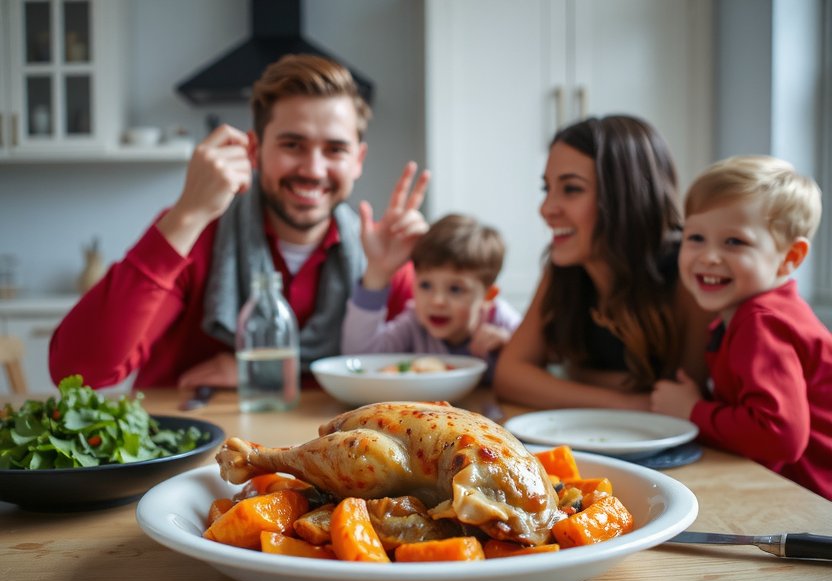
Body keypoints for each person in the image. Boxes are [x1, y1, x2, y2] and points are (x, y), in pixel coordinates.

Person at [49, 54, 429, 390]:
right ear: (255, 150)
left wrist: (262, 372)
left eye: (335, 149)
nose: (313, 169)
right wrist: (188, 212)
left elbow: (418, 372)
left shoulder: (379, 255)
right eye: (292, 145)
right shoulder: (194, 232)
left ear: (357, 160)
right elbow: (78, 372)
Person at [493, 115, 712, 409]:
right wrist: (626, 401)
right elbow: (510, 376)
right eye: (547, 189)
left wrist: (578, 376)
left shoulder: (690, 270)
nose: (546, 209)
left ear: (626, 194)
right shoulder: (563, 268)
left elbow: (677, 396)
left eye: (571, 189)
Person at [651, 155, 831, 500]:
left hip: (813, 499)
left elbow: (781, 436)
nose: (708, 256)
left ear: (790, 257)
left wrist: (691, 410)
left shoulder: (762, 322)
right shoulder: (744, 314)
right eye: (695, 237)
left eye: (734, 242)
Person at [341, 213, 521, 382]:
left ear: (488, 295)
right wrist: (375, 275)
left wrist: (509, 347)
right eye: (426, 285)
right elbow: (361, 356)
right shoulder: (414, 323)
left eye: (455, 289)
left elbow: (532, 367)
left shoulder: (503, 322)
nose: (437, 301)